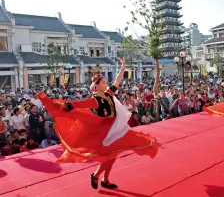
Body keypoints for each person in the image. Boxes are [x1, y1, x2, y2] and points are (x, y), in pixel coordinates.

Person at [36, 57, 159, 190]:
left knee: (113, 155)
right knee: (109, 156)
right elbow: (78, 104)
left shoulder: (108, 93)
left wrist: (123, 66)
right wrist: (62, 105)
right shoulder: (95, 100)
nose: (106, 84)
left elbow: (117, 81)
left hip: (115, 126)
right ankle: (97, 176)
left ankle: (103, 179)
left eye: (106, 82)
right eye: (103, 82)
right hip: (104, 130)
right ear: (96, 86)